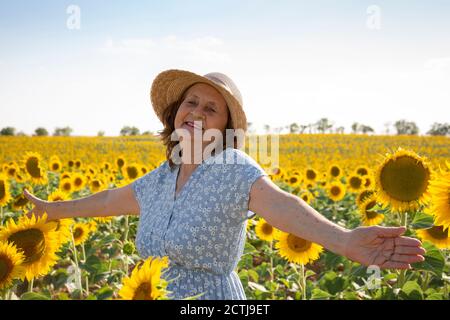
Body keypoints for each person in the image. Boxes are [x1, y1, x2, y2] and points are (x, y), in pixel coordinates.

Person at [23, 69, 426, 300]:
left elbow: (282, 205)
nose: (196, 112)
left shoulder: (233, 167)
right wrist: (53, 210)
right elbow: (109, 200)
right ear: (175, 113)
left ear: (224, 127)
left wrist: (341, 240)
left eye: (210, 108)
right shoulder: (162, 178)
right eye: (190, 102)